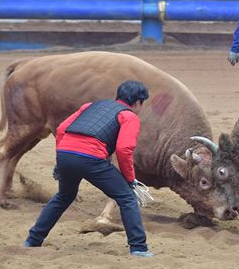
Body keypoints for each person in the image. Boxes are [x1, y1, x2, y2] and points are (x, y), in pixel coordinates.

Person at [24, 80, 153, 257]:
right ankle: (139, 248)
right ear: (137, 102)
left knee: (64, 196)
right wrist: (129, 179)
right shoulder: (129, 116)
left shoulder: (90, 106)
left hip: (65, 154)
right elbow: (124, 149)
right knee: (126, 197)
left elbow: (62, 130)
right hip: (91, 159)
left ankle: (32, 240)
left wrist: (60, 162)